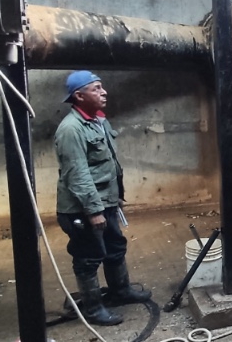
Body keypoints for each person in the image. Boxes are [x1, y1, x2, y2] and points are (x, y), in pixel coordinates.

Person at [54, 71, 151, 326]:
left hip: (104, 202)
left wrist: (115, 197)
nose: (103, 91)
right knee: (88, 257)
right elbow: (78, 174)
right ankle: (94, 309)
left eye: (102, 87)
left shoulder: (99, 120)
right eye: (96, 88)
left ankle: (121, 291)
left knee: (115, 248)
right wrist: (94, 211)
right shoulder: (71, 129)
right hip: (82, 209)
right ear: (79, 95)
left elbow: (109, 164)